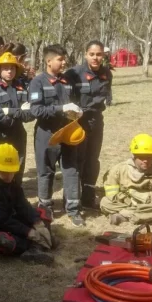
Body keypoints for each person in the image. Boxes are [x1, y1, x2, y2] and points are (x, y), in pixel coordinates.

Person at [29, 45, 83, 224]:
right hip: (47, 133)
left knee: (71, 169)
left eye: (63, 59)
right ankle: (46, 208)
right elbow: (37, 110)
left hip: (67, 132)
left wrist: (75, 111)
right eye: (60, 59)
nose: (63, 62)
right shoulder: (38, 82)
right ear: (48, 61)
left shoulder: (67, 81)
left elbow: (69, 103)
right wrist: (62, 108)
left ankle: (74, 209)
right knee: (45, 171)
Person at [0, 144, 54, 264]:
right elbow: (2, 220)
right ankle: (32, 247)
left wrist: (39, 224)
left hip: (10, 221)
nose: (9, 176)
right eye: (4, 171)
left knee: (43, 213)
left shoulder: (14, 184)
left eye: (11, 171)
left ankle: (35, 245)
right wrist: (30, 233)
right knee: (5, 241)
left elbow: (24, 207)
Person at [66, 40, 113, 215]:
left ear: (103, 55)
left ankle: (88, 197)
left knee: (93, 160)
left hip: (96, 121)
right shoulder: (74, 73)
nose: (95, 58)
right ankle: (72, 198)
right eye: (92, 54)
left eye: (99, 54)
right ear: (85, 54)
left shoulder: (107, 73)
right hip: (78, 121)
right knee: (78, 160)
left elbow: (106, 96)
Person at [0, 51, 34, 183]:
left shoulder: (21, 89)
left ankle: (15, 199)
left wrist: (8, 111)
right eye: (6, 68)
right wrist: (18, 112)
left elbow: (30, 114)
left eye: (12, 68)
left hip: (19, 135)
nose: (9, 71)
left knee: (17, 170)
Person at [100, 134, 152, 225]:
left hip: (148, 205)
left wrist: (143, 197)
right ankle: (149, 218)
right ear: (134, 156)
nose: (146, 160)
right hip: (125, 203)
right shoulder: (118, 170)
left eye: (149, 157)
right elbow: (111, 194)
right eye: (142, 157)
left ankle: (124, 216)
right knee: (105, 202)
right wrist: (129, 200)